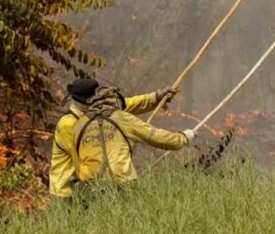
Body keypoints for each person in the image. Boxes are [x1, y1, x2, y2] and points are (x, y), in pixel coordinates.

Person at [49, 78, 196, 198]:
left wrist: (156, 97)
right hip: (66, 192)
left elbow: (126, 105)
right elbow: (88, 159)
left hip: (91, 189)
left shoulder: (99, 114)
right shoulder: (69, 125)